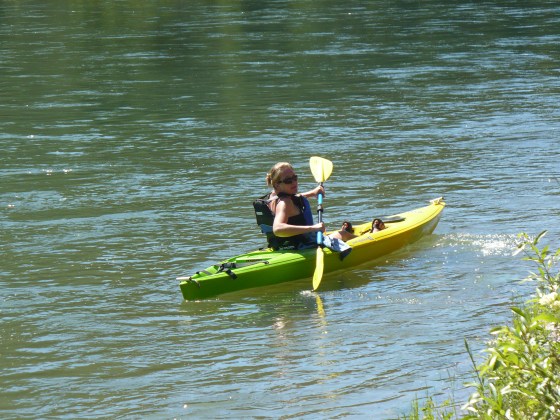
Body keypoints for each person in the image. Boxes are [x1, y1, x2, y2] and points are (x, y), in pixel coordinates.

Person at [263, 162, 326, 249]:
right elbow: (277, 229)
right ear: (277, 185)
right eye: (288, 180)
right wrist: (313, 228)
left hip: (281, 246)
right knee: (344, 234)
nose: (294, 182)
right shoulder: (285, 203)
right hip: (303, 245)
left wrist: (311, 193)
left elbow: (293, 197)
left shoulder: (272, 196)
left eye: (295, 178)